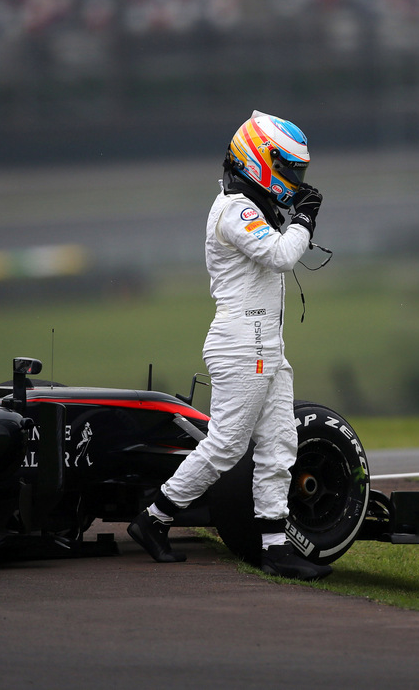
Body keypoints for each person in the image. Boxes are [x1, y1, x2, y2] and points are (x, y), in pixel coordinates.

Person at [128, 110, 329, 581]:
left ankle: (276, 548)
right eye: (288, 170)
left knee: (280, 443)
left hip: (264, 343)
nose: (294, 181)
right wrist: (304, 219)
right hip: (244, 344)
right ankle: (154, 518)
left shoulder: (248, 206)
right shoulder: (235, 210)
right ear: (260, 160)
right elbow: (280, 256)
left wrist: (295, 215)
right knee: (226, 444)